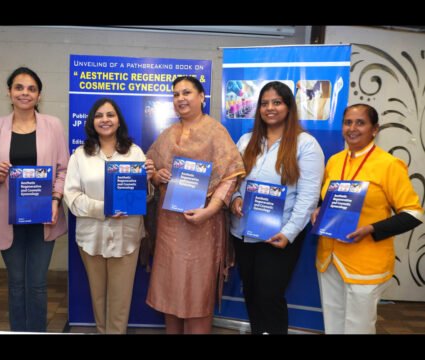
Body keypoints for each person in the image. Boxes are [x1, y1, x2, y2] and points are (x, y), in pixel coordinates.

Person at [146, 76, 246, 334]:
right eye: (176, 94)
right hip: (169, 227)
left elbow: (231, 175)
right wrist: (157, 176)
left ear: (202, 97)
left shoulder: (216, 131)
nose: (180, 98)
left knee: (196, 291)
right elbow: (150, 165)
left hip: (203, 226)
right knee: (171, 287)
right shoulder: (167, 134)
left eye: (187, 92)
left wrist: (210, 210)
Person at [312, 103, 423, 334]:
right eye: (348, 122)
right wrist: (318, 210)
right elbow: (330, 199)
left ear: (375, 129)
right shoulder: (335, 161)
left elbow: (413, 214)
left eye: (360, 122)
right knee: (333, 323)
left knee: (358, 327)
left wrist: (371, 228)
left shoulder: (389, 165)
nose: (352, 128)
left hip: (365, 260)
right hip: (329, 258)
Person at [0, 67, 69, 332]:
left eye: (31, 89)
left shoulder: (52, 125)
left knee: (38, 284)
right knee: (16, 283)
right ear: (9, 92)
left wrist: (55, 200)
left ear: (39, 95)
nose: (25, 93)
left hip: (44, 215)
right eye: (19, 87)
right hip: (8, 216)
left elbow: (62, 169)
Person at [229, 81, 325, 334]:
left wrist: (290, 233)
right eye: (264, 103)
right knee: (251, 291)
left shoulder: (306, 145)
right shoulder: (246, 140)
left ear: (289, 107)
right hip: (243, 232)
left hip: (278, 235)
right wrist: (234, 199)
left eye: (277, 102)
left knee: (269, 295)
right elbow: (234, 180)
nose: (270, 108)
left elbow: (308, 197)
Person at [64, 98, 154, 334]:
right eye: (99, 115)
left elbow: (144, 197)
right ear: (92, 122)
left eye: (110, 115)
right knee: (98, 296)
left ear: (118, 120)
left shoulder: (135, 153)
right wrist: (103, 209)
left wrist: (149, 181)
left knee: (121, 299)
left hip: (127, 236)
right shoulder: (79, 156)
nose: (105, 120)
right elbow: (71, 197)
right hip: (91, 237)